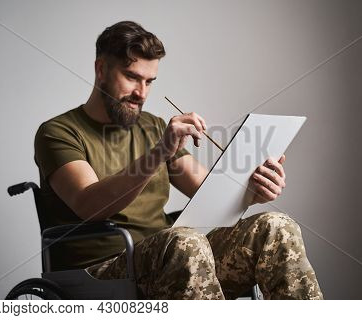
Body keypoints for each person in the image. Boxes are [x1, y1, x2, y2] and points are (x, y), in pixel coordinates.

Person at [34, 21, 323, 299]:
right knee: (185, 241)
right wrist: (160, 151)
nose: (141, 93)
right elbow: (89, 205)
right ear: (101, 70)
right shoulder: (59, 132)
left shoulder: (153, 127)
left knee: (276, 226)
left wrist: (254, 190)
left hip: (172, 258)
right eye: (132, 77)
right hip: (102, 269)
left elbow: (209, 193)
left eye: (149, 81)